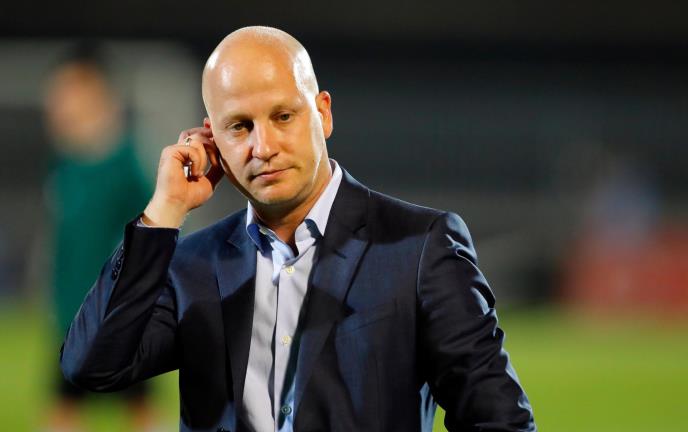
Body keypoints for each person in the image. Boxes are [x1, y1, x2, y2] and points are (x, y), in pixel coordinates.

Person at [60, 27, 536, 432]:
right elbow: (92, 365)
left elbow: (497, 419)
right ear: (212, 139)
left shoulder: (418, 248)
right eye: (239, 127)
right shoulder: (192, 264)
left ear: (322, 113)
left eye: (282, 116)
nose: (263, 146)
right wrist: (164, 210)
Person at [44, 44, 159, 431]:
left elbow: (152, 232)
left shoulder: (124, 163)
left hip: (116, 312)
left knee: (138, 406)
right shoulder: (65, 163)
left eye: (67, 92)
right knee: (63, 406)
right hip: (71, 314)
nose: (57, 104)